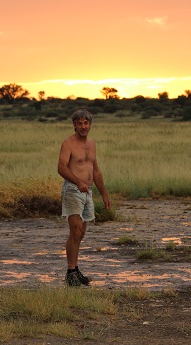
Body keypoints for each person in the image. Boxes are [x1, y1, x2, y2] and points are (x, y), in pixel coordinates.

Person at [58, 109, 111, 287]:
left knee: (81, 233)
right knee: (75, 230)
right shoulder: (68, 143)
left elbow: (96, 171)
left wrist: (104, 194)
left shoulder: (92, 144)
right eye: (79, 123)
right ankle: (70, 271)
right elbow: (61, 168)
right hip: (73, 190)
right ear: (74, 125)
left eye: (86, 123)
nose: (83, 126)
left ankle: (76, 269)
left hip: (87, 191)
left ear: (90, 125)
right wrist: (78, 182)